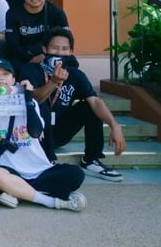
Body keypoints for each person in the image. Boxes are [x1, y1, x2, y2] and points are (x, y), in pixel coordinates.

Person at [0, 59, 87, 211]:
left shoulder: (30, 102)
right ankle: (48, 201)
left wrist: (28, 98)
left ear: (13, 80)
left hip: (39, 169)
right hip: (10, 169)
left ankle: (17, 192)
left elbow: (35, 132)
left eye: (6, 74)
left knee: (76, 174)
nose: (0, 78)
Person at [21, 28, 125, 181]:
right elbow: (34, 99)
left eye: (64, 49)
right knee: (41, 106)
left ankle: (91, 160)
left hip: (60, 132)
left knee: (88, 107)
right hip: (35, 133)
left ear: (71, 52)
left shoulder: (76, 74)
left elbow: (95, 101)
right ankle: (47, 162)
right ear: (45, 49)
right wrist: (54, 82)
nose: (59, 53)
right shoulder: (30, 70)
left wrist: (114, 125)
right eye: (55, 48)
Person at [3, 0, 69, 69]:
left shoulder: (56, 12)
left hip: (50, 55)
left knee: (72, 64)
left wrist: (46, 56)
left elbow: (65, 40)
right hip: (23, 58)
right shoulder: (13, 14)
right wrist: (31, 58)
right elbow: (12, 46)